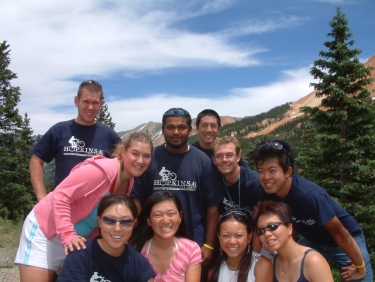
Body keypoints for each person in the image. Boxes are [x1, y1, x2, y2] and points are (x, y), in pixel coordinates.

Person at [15, 132, 153, 282]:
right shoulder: (101, 171)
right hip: (47, 232)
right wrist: (68, 236)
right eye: (135, 153)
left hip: (74, 241)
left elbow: (99, 222)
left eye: (146, 156)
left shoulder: (128, 183)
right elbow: (61, 195)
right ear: (123, 151)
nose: (140, 160)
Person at [250, 139, 373, 281]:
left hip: (344, 240)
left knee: (360, 277)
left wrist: (359, 267)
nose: (266, 177)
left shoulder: (309, 195)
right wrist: (254, 259)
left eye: (272, 170)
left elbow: (341, 235)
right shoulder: (264, 192)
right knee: (289, 263)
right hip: (312, 239)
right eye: (261, 171)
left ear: (288, 171)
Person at [131, 108, 221, 263]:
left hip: (194, 243)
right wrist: (138, 236)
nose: (176, 132)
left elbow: (212, 206)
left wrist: (209, 245)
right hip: (152, 241)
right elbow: (137, 199)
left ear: (190, 129)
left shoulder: (202, 161)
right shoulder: (151, 158)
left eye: (182, 127)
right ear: (163, 129)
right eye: (170, 127)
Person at [29, 79, 121, 201]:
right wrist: (41, 197)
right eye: (86, 101)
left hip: (95, 210)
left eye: (95, 102)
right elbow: (36, 160)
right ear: (76, 101)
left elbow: (124, 166)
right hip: (61, 204)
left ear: (101, 104)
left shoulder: (108, 135)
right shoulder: (60, 130)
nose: (90, 107)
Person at [58, 194, 155, 281]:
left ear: (135, 223)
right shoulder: (80, 255)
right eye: (109, 220)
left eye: (126, 222)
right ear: (99, 221)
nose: (117, 228)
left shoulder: (140, 266)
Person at [130, 191, 202, 281]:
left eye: (171, 214)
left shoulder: (191, 249)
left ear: (180, 216)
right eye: (158, 215)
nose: (165, 221)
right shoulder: (136, 251)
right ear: (148, 220)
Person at [254, 200, 334, 282]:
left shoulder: (313, 261)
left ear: (289, 228)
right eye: (261, 230)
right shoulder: (270, 265)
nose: (267, 234)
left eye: (272, 226)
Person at [204, 210, 272, 282]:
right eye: (226, 236)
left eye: (238, 235)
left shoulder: (261, 265)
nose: (232, 241)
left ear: (249, 237)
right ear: (219, 237)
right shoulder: (214, 271)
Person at [211, 136, 260, 215]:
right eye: (219, 156)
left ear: (238, 157)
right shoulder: (213, 182)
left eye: (229, 155)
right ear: (213, 159)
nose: (224, 160)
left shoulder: (254, 183)